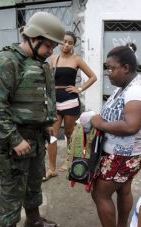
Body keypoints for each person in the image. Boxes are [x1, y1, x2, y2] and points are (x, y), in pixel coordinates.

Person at [0, 11, 65, 227]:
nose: (52, 50)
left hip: (36, 136)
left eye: (54, 46)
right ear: (34, 38)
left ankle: (33, 218)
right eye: (49, 45)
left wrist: (48, 122)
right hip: (11, 141)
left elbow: (44, 98)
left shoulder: (40, 64)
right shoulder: (6, 61)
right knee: (12, 187)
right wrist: (13, 138)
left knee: (34, 181)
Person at [90, 45, 141, 227]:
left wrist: (99, 122)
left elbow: (131, 126)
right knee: (123, 189)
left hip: (123, 155)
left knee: (100, 193)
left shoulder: (137, 91)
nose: (108, 73)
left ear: (126, 68)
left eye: (111, 68)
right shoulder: (126, 86)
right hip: (123, 153)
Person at [43, 31, 97, 180]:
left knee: (69, 133)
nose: (66, 45)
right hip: (54, 100)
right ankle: (52, 168)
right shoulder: (53, 59)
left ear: (74, 45)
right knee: (52, 135)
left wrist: (79, 89)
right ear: (60, 42)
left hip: (70, 100)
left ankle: (69, 161)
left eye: (70, 42)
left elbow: (93, 77)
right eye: (64, 41)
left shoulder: (76, 60)